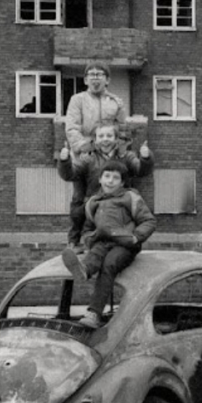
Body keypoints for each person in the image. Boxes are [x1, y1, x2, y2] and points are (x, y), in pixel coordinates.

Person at [62, 160, 156, 329]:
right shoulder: (93, 202)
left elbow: (148, 221)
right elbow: (88, 228)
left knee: (109, 264)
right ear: (99, 179)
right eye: (106, 176)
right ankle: (84, 270)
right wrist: (90, 239)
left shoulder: (130, 197)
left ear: (122, 182)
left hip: (125, 245)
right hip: (103, 242)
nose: (110, 181)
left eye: (115, 178)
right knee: (95, 255)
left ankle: (94, 314)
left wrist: (136, 237)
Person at [63, 63, 129, 250]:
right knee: (80, 199)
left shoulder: (116, 102)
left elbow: (123, 130)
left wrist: (119, 150)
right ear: (85, 79)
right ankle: (74, 240)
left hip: (109, 157)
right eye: (91, 74)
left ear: (107, 79)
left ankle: (111, 237)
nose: (95, 78)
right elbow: (72, 128)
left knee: (112, 197)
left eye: (100, 74)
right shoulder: (78, 100)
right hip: (86, 157)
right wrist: (85, 147)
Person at [58, 125, 153, 251]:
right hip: (95, 202)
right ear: (95, 140)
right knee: (80, 215)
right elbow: (70, 174)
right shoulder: (88, 158)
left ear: (116, 139)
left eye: (109, 136)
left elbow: (140, 170)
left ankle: (123, 244)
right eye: (101, 136)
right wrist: (65, 161)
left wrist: (145, 158)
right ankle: (75, 244)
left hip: (118, 202)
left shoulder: (126, 156)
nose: (105, 139)